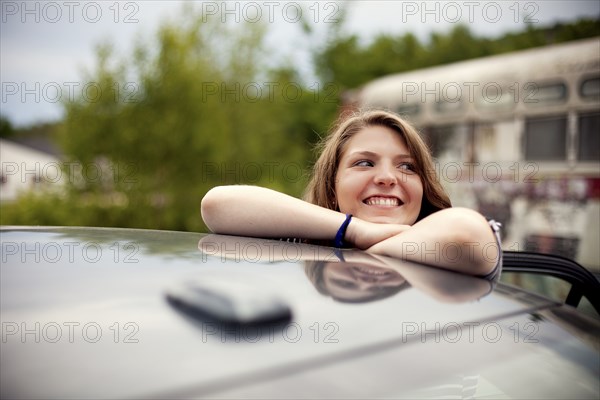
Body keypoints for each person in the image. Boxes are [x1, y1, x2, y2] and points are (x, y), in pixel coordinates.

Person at [201, 109, 501, 279]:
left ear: (424, 187)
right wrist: (354, 230)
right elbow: (217, 205)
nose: (386, 177)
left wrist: (372, 246)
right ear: (333, 185)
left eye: (407, 166)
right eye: (365, 163)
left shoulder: (447, 251)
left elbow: (470, 236)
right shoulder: (309, 244)